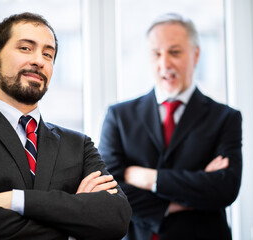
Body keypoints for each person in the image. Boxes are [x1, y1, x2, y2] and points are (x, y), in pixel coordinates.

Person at [0, 12, 131, 240]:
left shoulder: (79, 145)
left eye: (48, 54)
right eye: (26, 48)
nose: (39, 60)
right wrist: (74, 221)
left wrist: (15, 199)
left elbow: (116, 218)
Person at [99, 13, 242, 240]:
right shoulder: (119, 116)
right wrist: (184, 197)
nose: (164, 63)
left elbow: (224, 189)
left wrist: (148, 178)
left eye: (175, 52)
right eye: (156, 54)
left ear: (195, 55)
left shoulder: (225, 118)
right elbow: (107, 191)